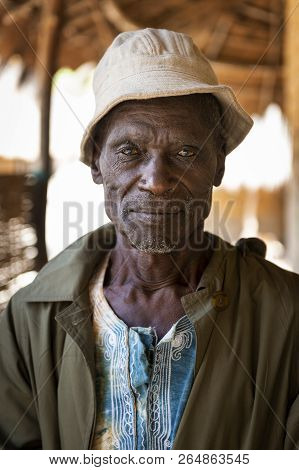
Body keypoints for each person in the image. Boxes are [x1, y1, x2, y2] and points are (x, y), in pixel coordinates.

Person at [0, 28, 298, 451]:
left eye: (186, 152)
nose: (157, 182)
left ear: (218, 166)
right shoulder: (29, 320)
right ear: (96, 164)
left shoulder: (286, 316)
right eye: (129, 151)